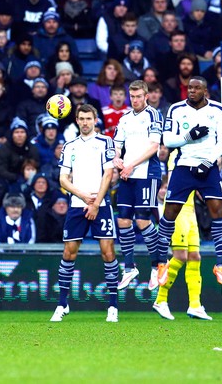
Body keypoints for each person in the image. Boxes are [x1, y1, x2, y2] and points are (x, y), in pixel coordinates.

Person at [157, 76, 222, 289]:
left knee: (218, 211)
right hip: (183, 165)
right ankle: (162, 262)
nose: (192, 91)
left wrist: (208, 162)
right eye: (189, 88)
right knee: (170, 212)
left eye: (197, 88)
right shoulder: (176, 109)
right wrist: (188, 136)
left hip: (208, 168)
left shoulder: (218, 110)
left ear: (205, 91)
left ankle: (220, 265)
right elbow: (167, 139)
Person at [50, 104, 119, 324]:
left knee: (108, 252)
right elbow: (63, 179)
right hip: (78, 204)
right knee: (69, 252)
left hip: (101, 204)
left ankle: (113, 306)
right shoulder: (69, 146)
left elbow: (108, 174)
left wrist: (96, 203)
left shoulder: (105, 142)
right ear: (77, 121)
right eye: (81, 118)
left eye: (89, 118)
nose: (85, 122)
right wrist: (83, 196)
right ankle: (62, 303)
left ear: (95, 119)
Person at [113, 81, 164, 291]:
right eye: (131, 96)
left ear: (147, 96)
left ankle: (157, 265)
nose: (134, 100)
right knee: (123, 220)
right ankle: (129, 267)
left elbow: (154, 146)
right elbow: (117, 143)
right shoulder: (124, 118)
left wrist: (130, 164)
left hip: (147, 174)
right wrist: (117, 159)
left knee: (142, 220)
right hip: (128, 175)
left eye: (138, 96)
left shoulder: (154, 115)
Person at [152, 149, 212, 321]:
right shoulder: (176, 155)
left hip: (191, 210)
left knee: (195, 256)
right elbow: (174, 182)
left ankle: (195, 305)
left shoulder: (197, 153)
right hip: (177, 210)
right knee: (180, 256)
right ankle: (160, 300)